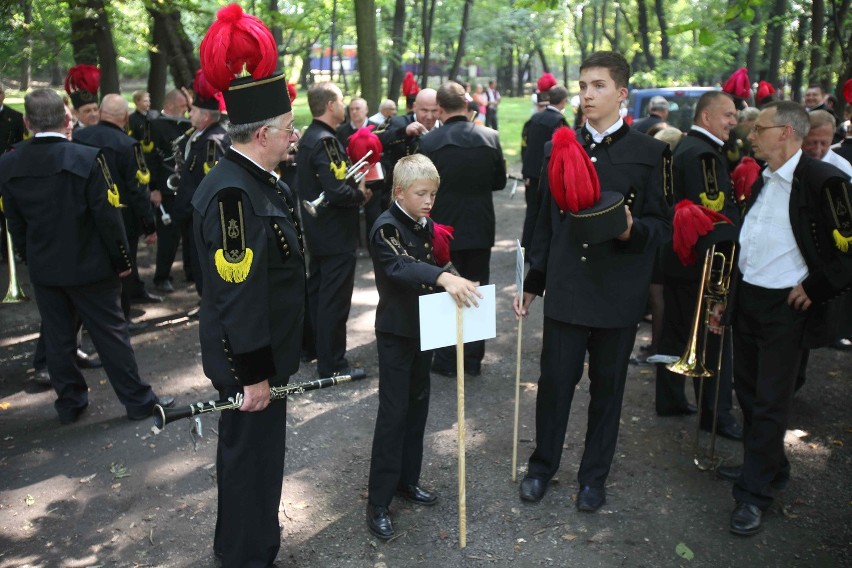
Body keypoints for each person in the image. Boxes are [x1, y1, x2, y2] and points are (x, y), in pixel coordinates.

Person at [514, 51, 671, 512]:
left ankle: (593, 477)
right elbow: (543, 221)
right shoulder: (558, 146)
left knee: (608, 389)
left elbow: (662, 226)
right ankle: (542, 467)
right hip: (567, 286)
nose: (586, 94)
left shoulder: (651, 153)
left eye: (598, 86)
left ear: (622, 94)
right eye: (582, 85)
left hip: (617, 291)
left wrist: (630, 230)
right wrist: (533, 279)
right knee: (555, 383)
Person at [191, 5, 305, 564]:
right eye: (288, 128)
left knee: (262, 465)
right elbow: (238, 295)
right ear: (263, 133)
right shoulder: (234, 195)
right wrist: (255, 375)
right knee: (247, 467)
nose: (294, 135)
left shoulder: (259, 180)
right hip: (249, 365)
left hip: (265, 359)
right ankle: (242, 557)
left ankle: (259, 547)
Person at [712, 101, 852, 536]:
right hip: (749, 300)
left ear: (786, 133)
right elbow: (751, 244)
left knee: (771, 401)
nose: (750, 135)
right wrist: (727, 300)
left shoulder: (824, 179)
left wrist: (816, 287)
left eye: (760, 129)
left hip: (786, 309)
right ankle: (768, 466)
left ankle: (753, 496)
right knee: (750, 393)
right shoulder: (764, 179)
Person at [0, 89, 174, 424]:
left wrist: (27, 256)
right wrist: (123, 261)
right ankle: (138, 401)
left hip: (45, 267)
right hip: (91, 266)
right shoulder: (87, 158)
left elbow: (14, 221)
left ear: (26, 122)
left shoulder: (8, 163)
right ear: (67, 119)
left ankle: (70, 403)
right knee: (111, 335)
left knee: (58, 337)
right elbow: (107, 219)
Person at [365, 154, 481, 540]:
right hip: (397, 333)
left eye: (433, 193)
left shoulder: (423, 222)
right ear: (399, 192)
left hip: (426, 327)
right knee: (393, 414)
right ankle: (378, 502)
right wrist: (442, 279)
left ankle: (407, 481)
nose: (430, 202)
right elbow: (399, 267)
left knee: (418, 408)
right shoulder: (385, 228)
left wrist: (457, 279)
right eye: (421, 194)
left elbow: (438, 260)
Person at [655, 91, 743, 441]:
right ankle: (716, 416)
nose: (734, 122)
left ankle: (670, 399)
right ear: (706, 117)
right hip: (702, 265)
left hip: (680, 261)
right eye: (728, 115)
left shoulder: (686, 147)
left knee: (674, 331)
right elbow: (715, 217)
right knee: (713, 340)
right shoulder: (705, 155)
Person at [421, 81, 505, 377]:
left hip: (444, 228)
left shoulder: (430, 143)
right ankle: (472, 359)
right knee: (477, 289)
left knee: (444, 287)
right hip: (480, 224)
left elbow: (422, 187)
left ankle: (446, 359)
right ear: (467, 105)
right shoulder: (490, 137)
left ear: (440, 109)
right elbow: (500, 181)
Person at [297, 82, 371, 378]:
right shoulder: (326, 141)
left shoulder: (310, 137)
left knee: (318, 292)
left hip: (319, 230)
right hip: (336, 232)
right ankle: (334, 364)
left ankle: (313, 349)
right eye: (341, 101)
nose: (344, 106)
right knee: (334, 300)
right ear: (330, 105)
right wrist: (361, 195)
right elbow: (336, 189)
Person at [72, 94, 160, 326]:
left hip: (85, 215)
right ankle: (122, 318)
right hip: (122, 219)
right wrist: (149, 225)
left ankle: (87, 319)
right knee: (124, 267)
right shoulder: (128, 145)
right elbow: (138, 190)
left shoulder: (78, 137)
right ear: (124, 117)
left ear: (101, 112)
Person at [172, 72, 228, 298]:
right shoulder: (202, 136)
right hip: (195, 217)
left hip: (203, 218)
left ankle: (209, 306)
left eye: (193, 110)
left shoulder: (211, 142)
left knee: (204, 269)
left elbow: (209, 184)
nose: (189, 113)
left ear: (205, 116)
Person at [148, 89, 192, 292]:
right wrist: (154, 189)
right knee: (169, 235)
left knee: (191, 233)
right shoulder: (155, 126)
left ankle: (191, 271)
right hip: (166, 189)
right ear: (172, 106)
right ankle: (162, 276)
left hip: (186, 186)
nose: (186, 111)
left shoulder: (187, 125)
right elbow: (151, 160)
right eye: (183, 107)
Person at [520, 84, 568, 250]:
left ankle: (526, 244)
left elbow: (525, 146)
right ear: (563, 101)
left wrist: (525, 171)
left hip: (531, 172)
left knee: (532, 210)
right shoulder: (559, 122)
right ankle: (539, 247)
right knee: (545, 211)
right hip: (546, 173)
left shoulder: (535, 118)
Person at [802, 110, 852, 177]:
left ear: (832, 139)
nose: (818, 150)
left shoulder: (843, 169)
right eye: (812, 143)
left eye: (824, 143)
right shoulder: (788, 160)